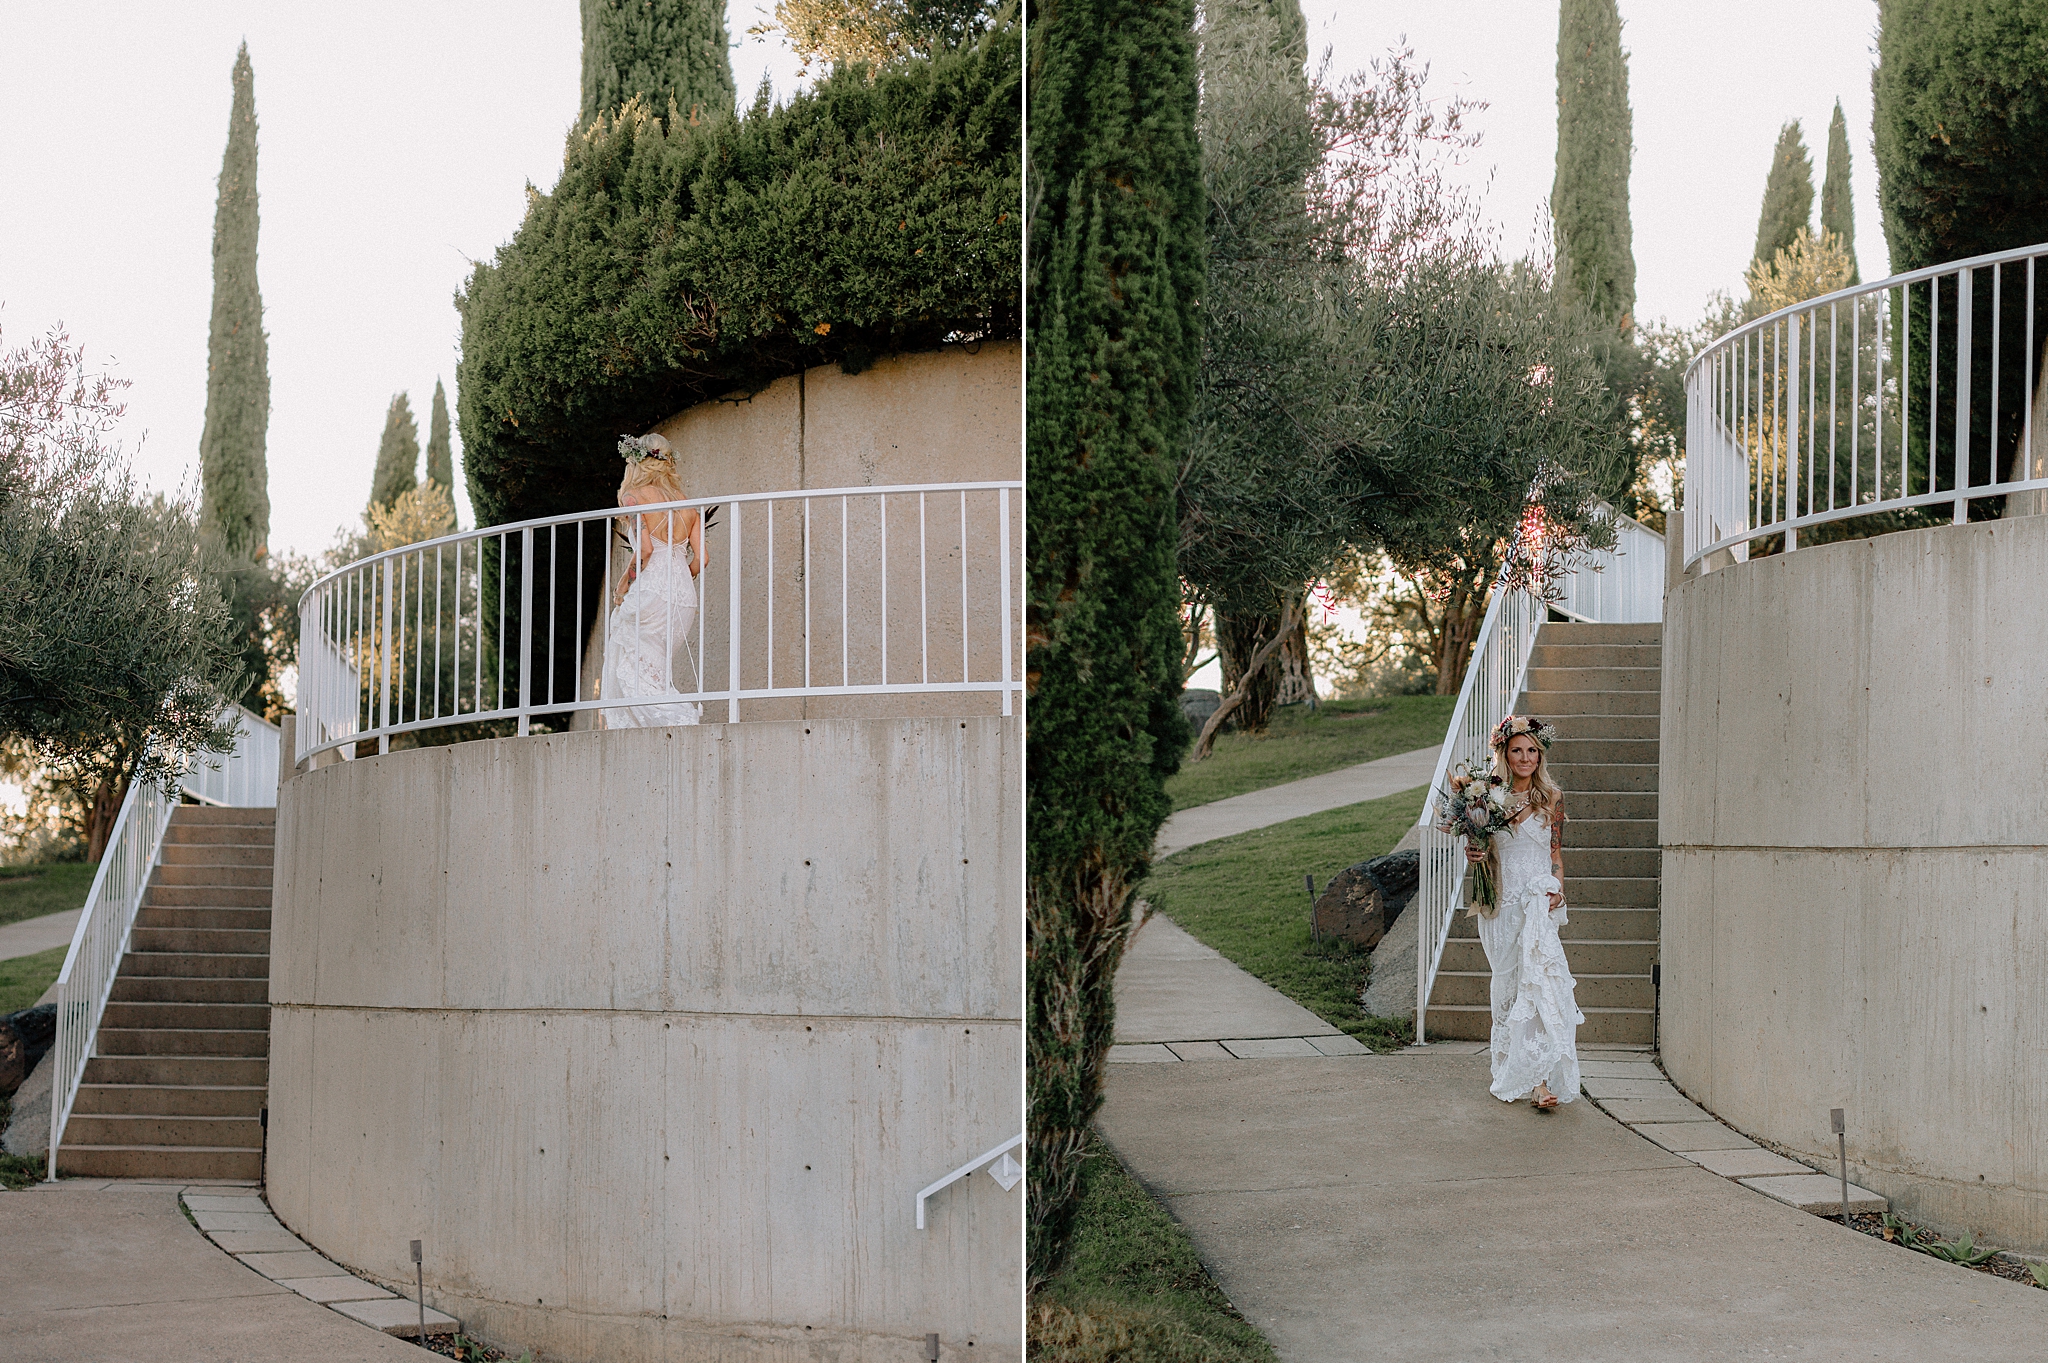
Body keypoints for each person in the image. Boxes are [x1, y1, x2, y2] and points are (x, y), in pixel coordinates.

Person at [1455, 715, 1583, 1111]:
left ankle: (1540, 1080)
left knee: (1539, 982)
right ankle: (1512, 1065)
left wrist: (1558, 889)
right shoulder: (1486, 797)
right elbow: (1479, 849)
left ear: (1539, 755)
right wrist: (1473, 854)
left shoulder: (1553, 797)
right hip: (1500, 903)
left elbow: (1555, 854)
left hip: (1537, 903)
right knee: (1508, 984)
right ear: (1504, 754)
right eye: (1517, 751)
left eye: (1532, 751)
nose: (1525, 758)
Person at [599, 432, 707, 728]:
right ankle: (672, 726)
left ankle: (675, 725)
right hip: (683, 595)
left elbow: (645, 551)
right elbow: (701, 560)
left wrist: (625, 581)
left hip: (651, 591)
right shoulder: (687, 503)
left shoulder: (632, 497)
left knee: (638, 670)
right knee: (656, 673)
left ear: (635, 462)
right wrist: (680, 578)